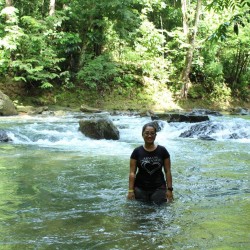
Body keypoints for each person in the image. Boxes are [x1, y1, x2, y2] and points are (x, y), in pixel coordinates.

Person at [127, 122, 173, 204]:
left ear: (155, 135)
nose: (149, 136)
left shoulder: (163, 151)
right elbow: (132, 173)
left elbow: (168, 171)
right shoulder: (137, 151)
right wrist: (130, 191)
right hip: (140, 188)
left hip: (159, 188)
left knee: (158, 211)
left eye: (152, 133)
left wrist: (169, 190)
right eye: (147, 133)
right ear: (142, 134)